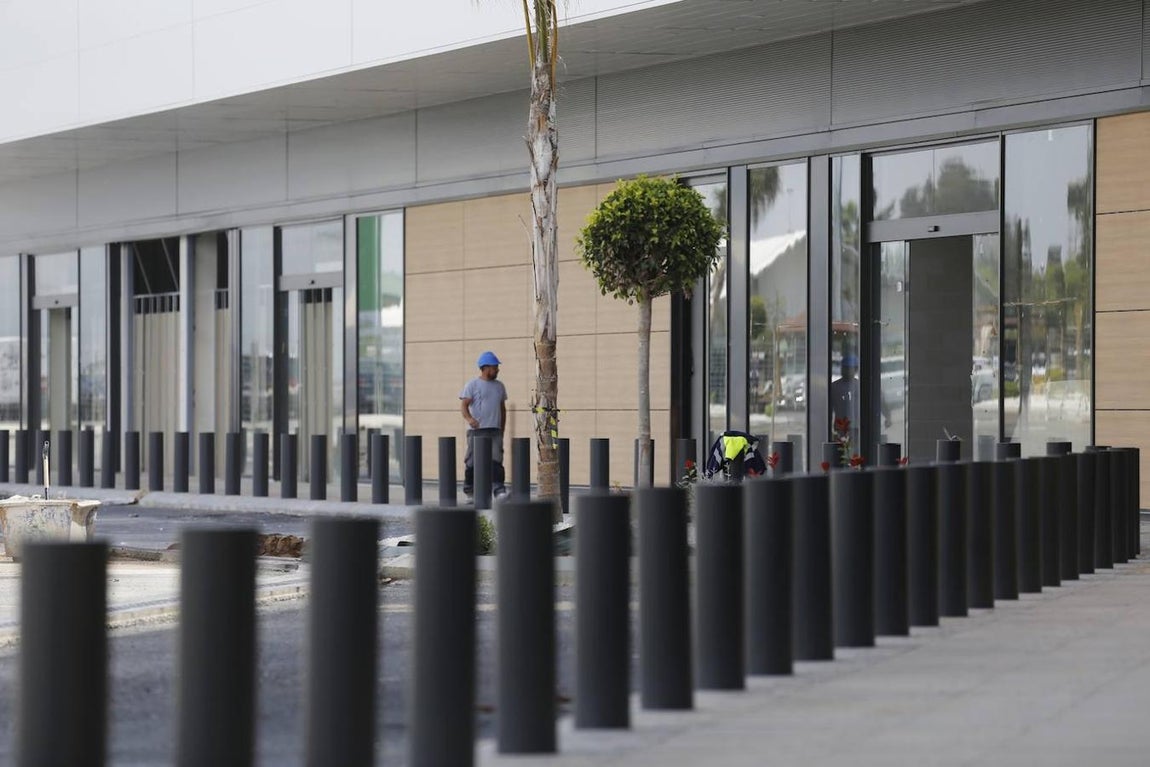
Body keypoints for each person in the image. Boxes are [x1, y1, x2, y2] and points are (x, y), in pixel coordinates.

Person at [460, 350, 508, 497]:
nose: (497, 370)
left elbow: (502, 409)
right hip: (477, 431)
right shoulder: (472, 385)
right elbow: (464, 405)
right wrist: (470, 419)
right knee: (472, 462)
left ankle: (499, 490)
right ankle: (470, 490)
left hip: (495, 430)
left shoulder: (500, 386)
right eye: (495, 367)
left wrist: (502, 429)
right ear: (485, 368)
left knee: (497, 461)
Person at [830, 353, 891, 439]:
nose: (845, 371)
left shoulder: (863, 386)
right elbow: (827, 409)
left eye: (849, 368)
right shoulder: (834, 387)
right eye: (844, 368)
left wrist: (888, 416)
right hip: (842, 428)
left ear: (855, 369)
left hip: (860, 427)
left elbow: (880, 402)